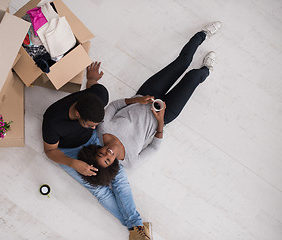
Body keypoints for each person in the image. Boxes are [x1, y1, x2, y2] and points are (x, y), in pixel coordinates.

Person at [78, 22, 222, 180]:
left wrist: (138, 99)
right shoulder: (131, 161)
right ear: (112, 164)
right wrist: (160, 122)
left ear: (97, 149)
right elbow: (154, 148)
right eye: (107, 160)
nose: (107, 154)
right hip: (164, 114)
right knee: (193, 77)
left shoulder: (103, 128)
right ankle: (206, 70)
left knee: (182, 62)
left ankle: (202, 34)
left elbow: (115, 105)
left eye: (101, 153)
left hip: (147, 95)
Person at [42, 62, 152, 240]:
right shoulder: (53, 122)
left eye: (96, 124)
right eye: (90, 124)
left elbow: (92, 90)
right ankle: (138, 230)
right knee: (99, 189)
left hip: (91, 143)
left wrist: (92, 79)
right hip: (68, 151)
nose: (95, 128)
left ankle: (136, 227)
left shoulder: (100, 94)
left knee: (119, 178)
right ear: (78, 114)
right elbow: (49, 151)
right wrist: (74, 163)